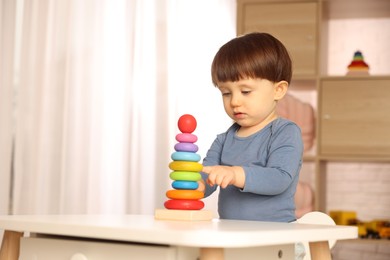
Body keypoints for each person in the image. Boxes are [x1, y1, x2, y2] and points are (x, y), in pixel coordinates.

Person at [199, 32, 304, 223]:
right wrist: (196, 185)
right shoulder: (223, 140)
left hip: (276, 236)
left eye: (245, 91)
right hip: (232, 235)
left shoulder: (285, 132)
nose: (235, 101)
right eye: (226, 93)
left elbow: (279, 179)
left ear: (278, 90)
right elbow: (207, 175)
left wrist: (235, 174)